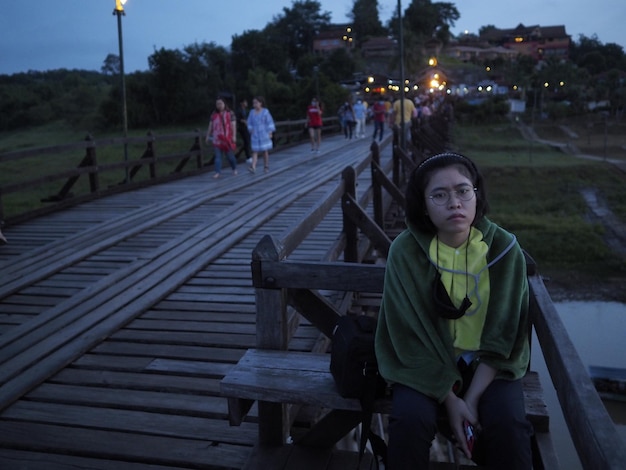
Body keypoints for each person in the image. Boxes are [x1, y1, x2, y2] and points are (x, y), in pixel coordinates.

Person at [375, 152, 532, 469]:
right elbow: (404, 332)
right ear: (424, 204)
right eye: (440, 195)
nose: (454, 203)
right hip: (423, 364)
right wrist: (451, 399)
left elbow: (506, 332)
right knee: (408, 420)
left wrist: (471, 398)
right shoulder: (405, 252)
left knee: (509, 425)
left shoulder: (504, 248)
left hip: (489, 366)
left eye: (463, 191)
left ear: (477, 194)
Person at [205, 97, 238, 178]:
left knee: (230, 157)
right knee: (218, 157)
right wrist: (208, 135)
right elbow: (211, 126)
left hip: (227, 138)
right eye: (217, 104)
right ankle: (217, 172)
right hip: (217, 138)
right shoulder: (214, 114)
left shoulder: (230, 113)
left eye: (220, 103)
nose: (219, 105)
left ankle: (234, 168)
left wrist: (234, 136)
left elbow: (233, 125)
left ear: (224, 104)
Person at [246, 96, 275, 173]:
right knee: (255, 150)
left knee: (264, 150)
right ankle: (253, 166)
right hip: (255, 133)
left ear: (260, 103)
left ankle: (266, 166)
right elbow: (249, 122)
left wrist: (270, 132)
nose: (254, 104)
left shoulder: (265, 112)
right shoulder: (251, 112)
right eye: (253, 103)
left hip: (264, 133)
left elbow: (269, 122)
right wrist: (250, 129)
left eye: (256, 103)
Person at [235, 98, 252, 163]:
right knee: (246, 141)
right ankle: (248, 156)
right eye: (245, 102)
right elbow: (237, 118)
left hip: (246, 127)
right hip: (241, 128)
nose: (246, 103)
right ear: (241, 103)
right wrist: (242, 121)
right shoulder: (238, 110)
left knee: (247, 141)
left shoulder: (244, 110)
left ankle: (248, 155)